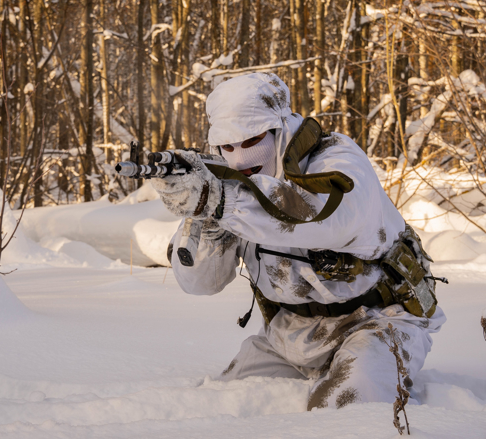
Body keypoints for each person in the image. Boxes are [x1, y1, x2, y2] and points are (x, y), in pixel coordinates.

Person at [152, 72, 445, 410]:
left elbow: (324, 216)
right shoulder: (227, 185)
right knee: (221, 408)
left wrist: (223, 200)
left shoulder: (338, 159)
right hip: (287, 335)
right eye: (227, 147)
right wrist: (206, 220)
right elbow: (201, 283)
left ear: (280, 128)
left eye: (252, 140)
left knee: (346, 411)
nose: (240, 158)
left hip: (378, 323)